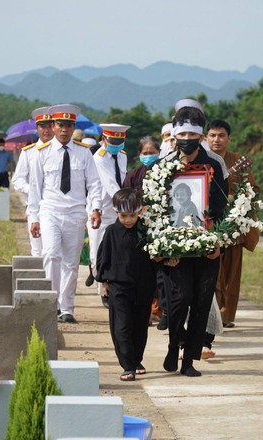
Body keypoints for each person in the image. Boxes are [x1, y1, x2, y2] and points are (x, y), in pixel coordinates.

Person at [162, 103, 228, 377]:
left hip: (206, 247)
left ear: (200, 137)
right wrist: (164, 247)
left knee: (201, 302)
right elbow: (157, 210)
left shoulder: (214, 164)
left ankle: (188, 361)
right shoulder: (163, 166)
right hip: (175, 249)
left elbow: (222, 208)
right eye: (182, 136)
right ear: (174, 136)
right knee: (180, 300)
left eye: (193, 137)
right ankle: (173, 345)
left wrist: (218, 241)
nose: (187, 142)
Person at [27, 104, 103, 323]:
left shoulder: (83, 153)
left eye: (69, 126)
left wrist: (95, 208)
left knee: (71, 262)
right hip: (50, 210)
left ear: (73, 128)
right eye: (60, 125)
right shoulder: (40, 153)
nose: (64, 130)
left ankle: (67, 307)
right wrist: (34, 217)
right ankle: (51, 303)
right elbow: (35, 188)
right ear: (52, 126)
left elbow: (94, 184)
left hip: (76, 212)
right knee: (51, 254)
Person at [95, 188, 169, 381]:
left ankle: (136, 360)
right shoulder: (111, 232)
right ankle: (127, 365)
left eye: (132, 216)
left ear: (139, 212)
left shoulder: (146, 232)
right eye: (123, 215)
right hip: (118, 286)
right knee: (121, 326)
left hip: (143, 285)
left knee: (140, 325)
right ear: (116, 212)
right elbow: (104, 258)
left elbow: (155, 259)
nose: (128, 220)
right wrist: (104, 283)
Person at [207, 119, 260, 328]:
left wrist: (236, 197)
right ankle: (213, 315)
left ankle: (227, 316)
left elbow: (254, 190)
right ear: (205, 138)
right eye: (212, 135)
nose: (217, 140)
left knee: (232, 273)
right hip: (210, 226)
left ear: (229, 138)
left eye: (221, 136)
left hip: (235, 227)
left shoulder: (237, 160)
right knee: (213, 272)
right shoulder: (201, 160)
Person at [87, 123, 130, 308]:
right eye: (113, 141)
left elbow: (122, 180)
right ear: (104, 139)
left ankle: (110, 285)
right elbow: (110, 184)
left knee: (115, 251)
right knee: (97, 250)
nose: (117, 145)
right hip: (101, 209)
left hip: (118, 211)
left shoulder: (122, 156)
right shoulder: (99, 157)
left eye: (120, 141)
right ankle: (102, 288)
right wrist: (127, 204)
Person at [122, 135, 162, 324]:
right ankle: (142, 312)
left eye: (152, 153)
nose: (148, 156)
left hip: (160, 230)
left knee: (160, 272)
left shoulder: (166, 173)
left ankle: (159, 311)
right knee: (140, 273)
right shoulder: (132, 175)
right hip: (137, 230)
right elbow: (124, 202)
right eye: (145, 153)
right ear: (139, 154)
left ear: (159, 153)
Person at [12, 106, 54, 257]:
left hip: (56, 206)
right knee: (37, 250)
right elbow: (17, 179)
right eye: (43, 127)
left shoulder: (61, 151)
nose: (47, 130)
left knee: (55, 251)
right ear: (37, 128)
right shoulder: (29, 152)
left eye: (50, 126)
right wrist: (33, 190)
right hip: (36, 207)